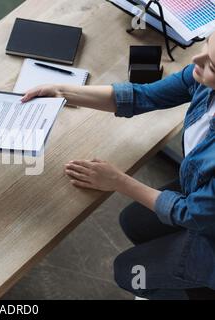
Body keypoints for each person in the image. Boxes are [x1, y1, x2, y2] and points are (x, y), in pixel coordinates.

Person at [22, 33, 215, 299]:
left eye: (212, 65)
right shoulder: (202, 79)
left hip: (208, 229)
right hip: (202, 197)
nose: (197, 58)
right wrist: (64, 92)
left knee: (129, 272)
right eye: (207, 43)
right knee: (133, 221)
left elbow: (192, 215)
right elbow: (142, 96)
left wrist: (118, 181)